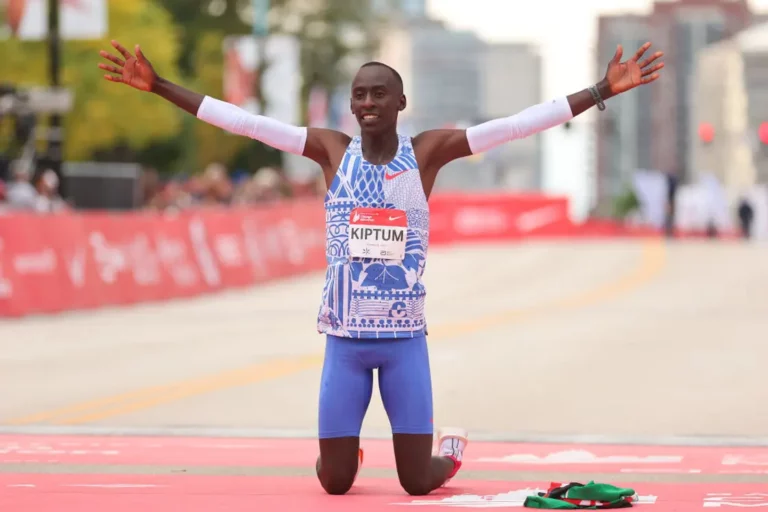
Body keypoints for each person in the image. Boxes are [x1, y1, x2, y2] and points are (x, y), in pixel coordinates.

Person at [97, 39, 664, 496]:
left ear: (400, 103)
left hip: (403, 345)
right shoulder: (329, 151)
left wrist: (599, 89)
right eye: (359, 95)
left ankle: (451, 449)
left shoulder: (428, 153)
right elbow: (242, 122)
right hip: (344, 344)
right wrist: (158, 87)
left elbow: (516, 124)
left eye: (378, 94)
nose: (366, 103)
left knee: (417, 483)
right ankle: (345, 451)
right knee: (334, 482)